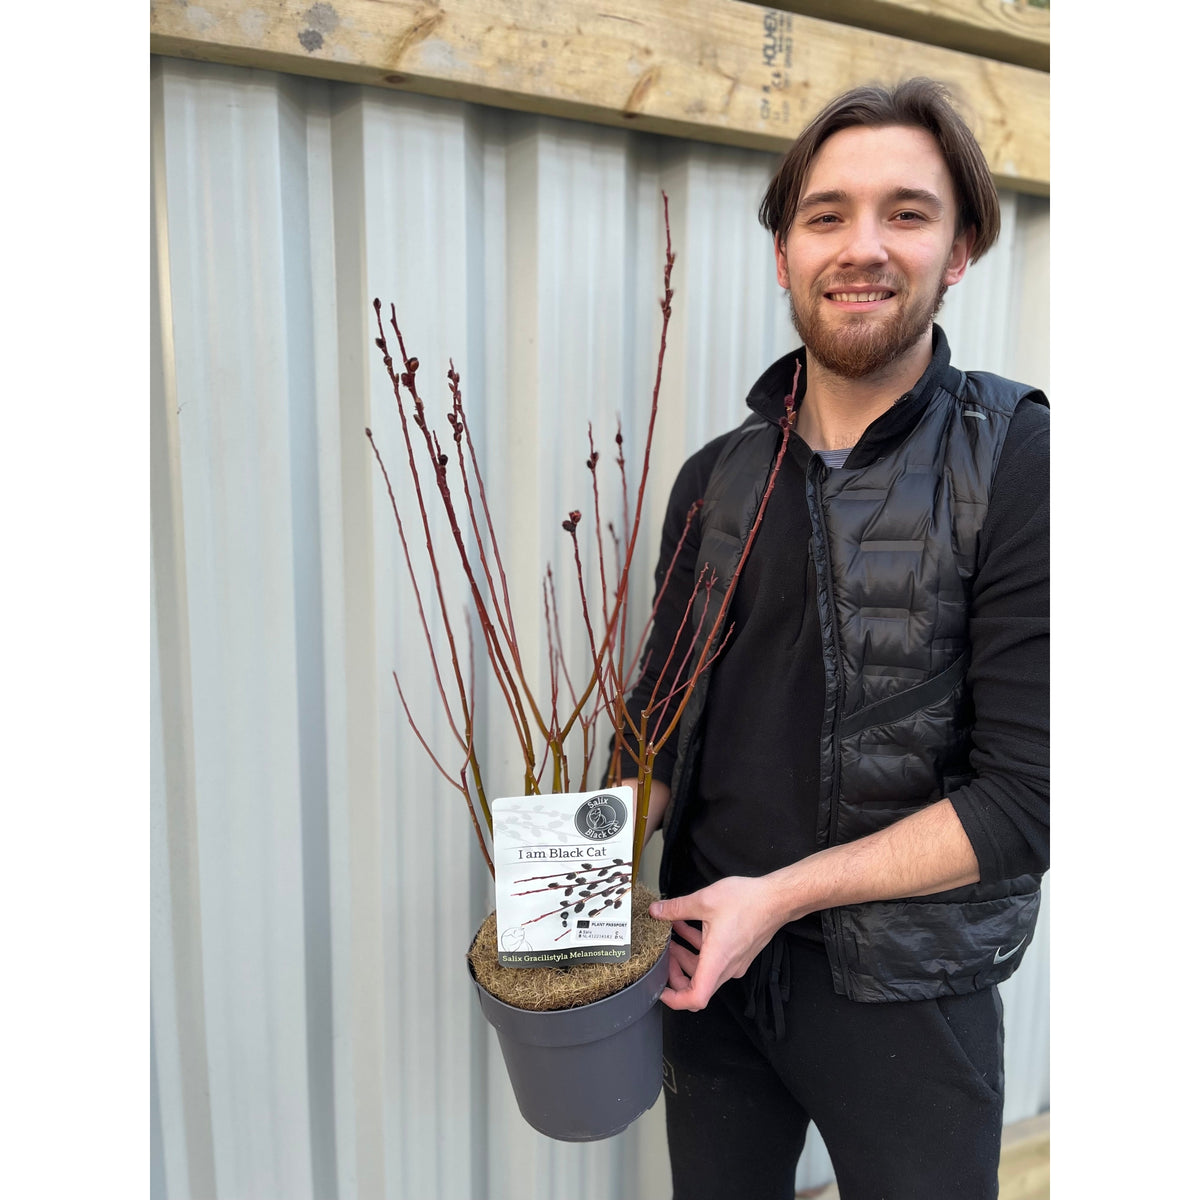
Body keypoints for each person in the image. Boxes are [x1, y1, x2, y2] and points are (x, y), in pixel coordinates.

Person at [619, 78, 1048, 1200]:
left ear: (959, 251)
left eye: (906, 213)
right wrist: (575, 869)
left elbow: (1027, 801)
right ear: (782, 252)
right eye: (826, 214)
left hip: (908, 998)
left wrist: (783, 894)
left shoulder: (1018, 461)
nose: (862, 246)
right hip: (705, 966)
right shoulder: (716, 478)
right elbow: (654, 735)